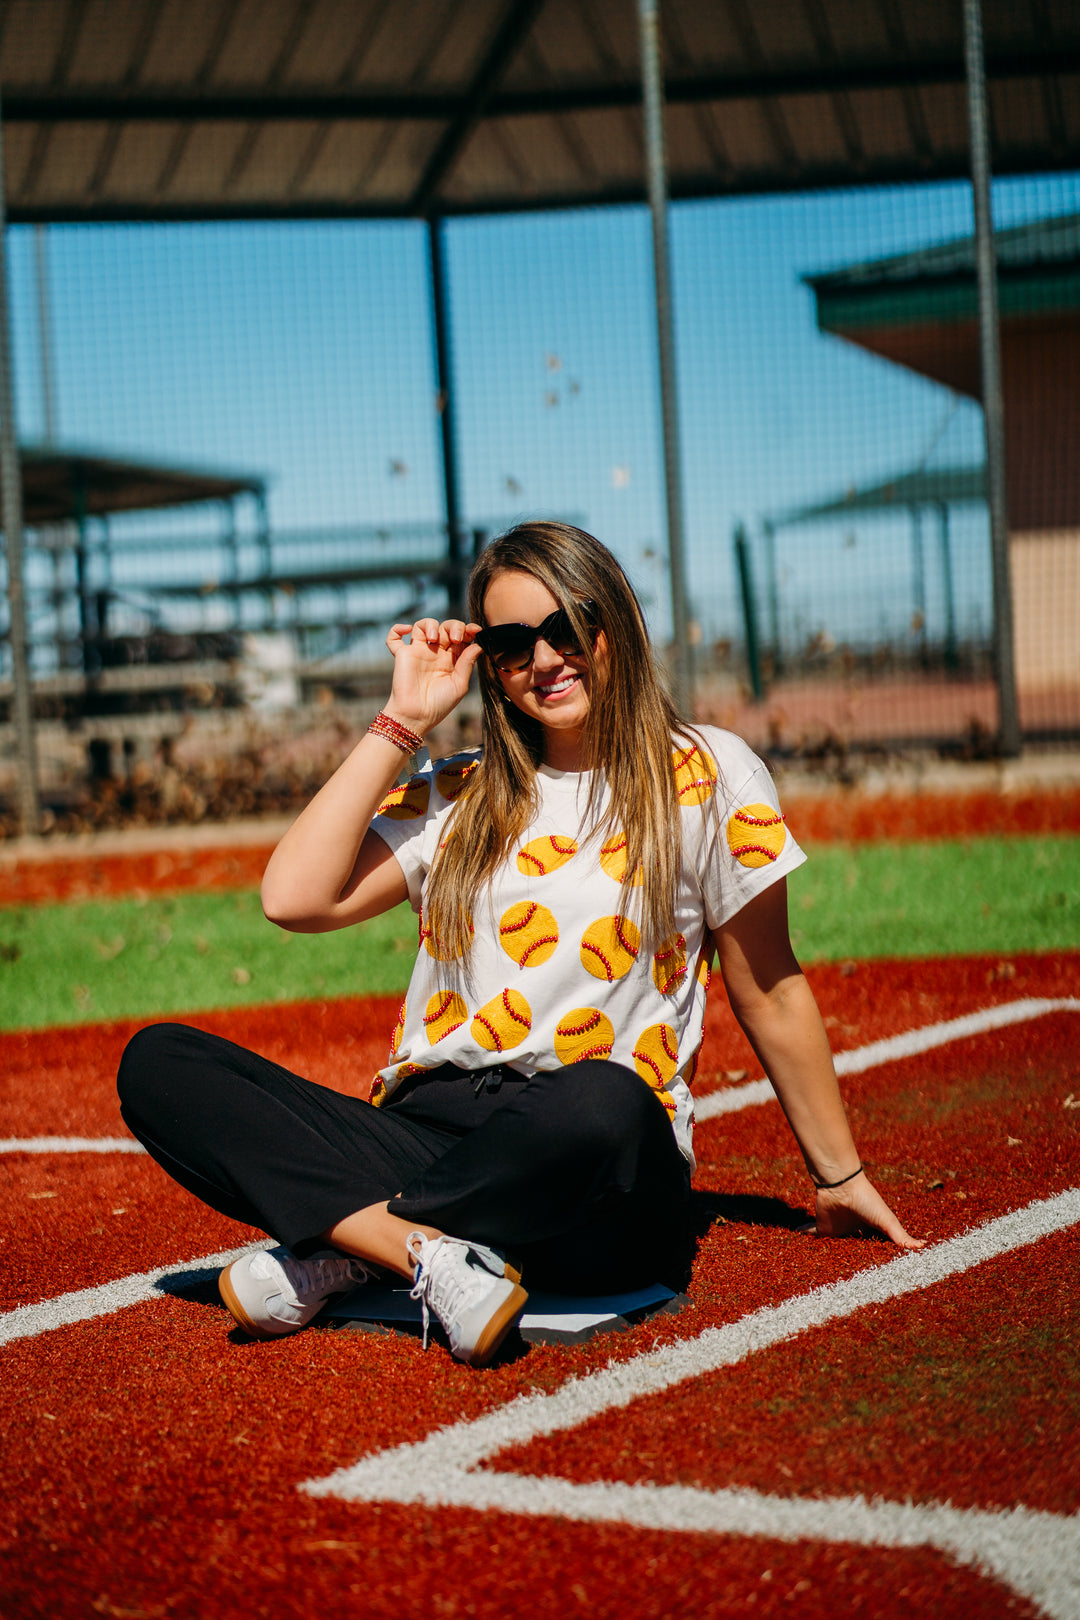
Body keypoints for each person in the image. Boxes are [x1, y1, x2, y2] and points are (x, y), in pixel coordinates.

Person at [118, 521, 922, 1369]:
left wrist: (837, 1177)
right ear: (488, 666)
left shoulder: (709, 772)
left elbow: (770, 985)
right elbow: (292, 897)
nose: (544, 659)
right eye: (509, 644)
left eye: (566, 628)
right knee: (160, 1064)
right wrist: (402, 720)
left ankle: (355, 1244)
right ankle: (424, 1255)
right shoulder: (458, 789)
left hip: (595, 1162)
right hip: (433, 1130)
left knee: (605, 1099)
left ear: (619, 624)